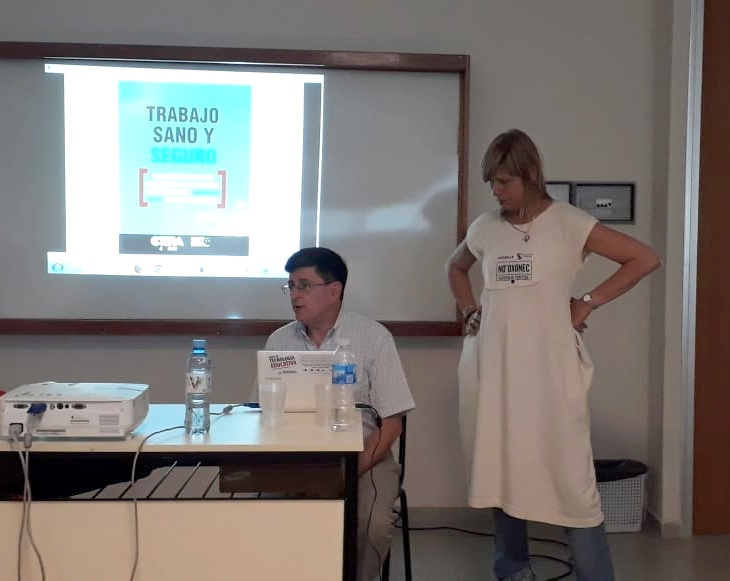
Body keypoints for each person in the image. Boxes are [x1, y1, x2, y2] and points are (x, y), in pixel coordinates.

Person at [446, 129, 661, 581]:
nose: (496, 191)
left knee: (572, 482)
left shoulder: (569, 223)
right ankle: (513, 570)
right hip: (494, 370)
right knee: (501, 471)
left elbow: (644, 258)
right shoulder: (485, 227)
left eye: (504, 181)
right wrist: (469, 311)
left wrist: (588, 302)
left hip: (550, 370)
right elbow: (456, 267)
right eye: (491, 182)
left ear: (530, 174)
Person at [265, 246, 416, 581]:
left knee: (371, 524)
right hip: (295, 458)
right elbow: (263, 411)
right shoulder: (279, 341)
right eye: (291, 286)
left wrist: (351, 469)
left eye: (304, 285)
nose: (295, 295)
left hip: (366, 458)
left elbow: (393, 423)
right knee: (264, 514)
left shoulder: (373, 337)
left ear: (334, 291)